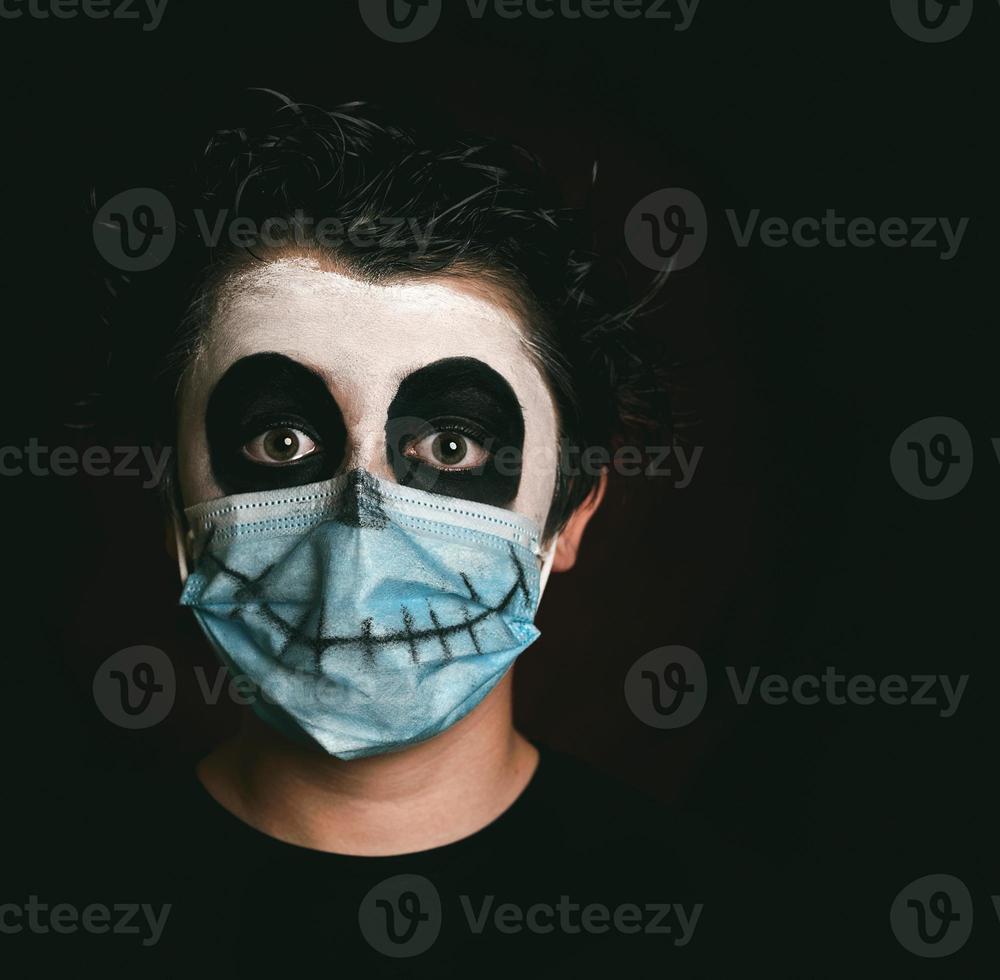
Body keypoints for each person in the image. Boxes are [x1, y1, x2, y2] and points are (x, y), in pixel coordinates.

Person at [53, 92, 766, 974]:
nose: (361, 522)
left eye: (450, 446)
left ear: (570, 514)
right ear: (173, 506)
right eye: (284, 441)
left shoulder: (730, 932)